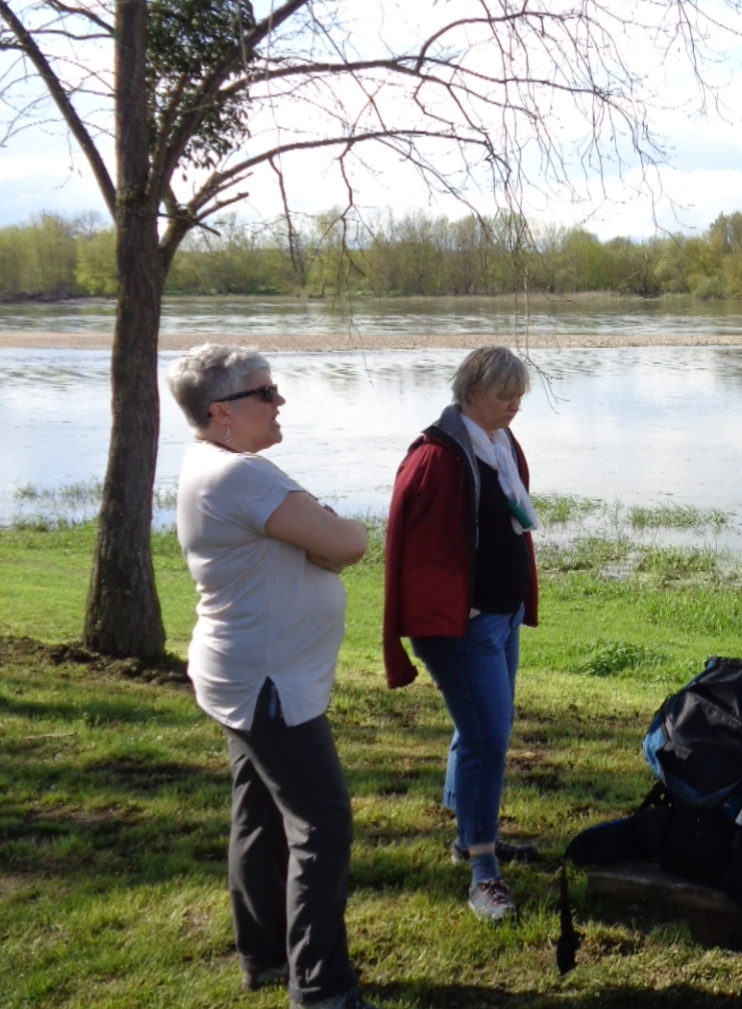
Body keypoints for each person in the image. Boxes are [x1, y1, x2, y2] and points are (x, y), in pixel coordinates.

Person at [167, 344, 382, 1009]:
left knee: (258, 814)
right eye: (265, 392)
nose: (279, 399)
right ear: (220, 413)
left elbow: (327, 543)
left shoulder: (223, 465)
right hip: (267, 684)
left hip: (241, 674)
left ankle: (262, 956)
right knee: (322, 824)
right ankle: (321, 988)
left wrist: (316, 535)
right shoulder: (240, 478)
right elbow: (348, 543)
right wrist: (321, 535)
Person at [383, 347, 541, 922]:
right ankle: (483, 873)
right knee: (487, 737)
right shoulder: (435, 458)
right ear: (471, 392)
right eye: (506, 396)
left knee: (477, 730)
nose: (515, 406)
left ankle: (467, 840)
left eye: (520, 396)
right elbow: (414, 550)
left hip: (498, 619)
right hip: (461, 627)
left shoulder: (497, 445)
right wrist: (459, 612)